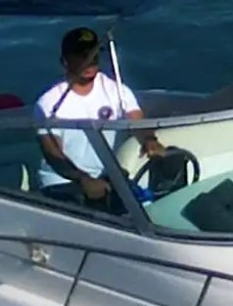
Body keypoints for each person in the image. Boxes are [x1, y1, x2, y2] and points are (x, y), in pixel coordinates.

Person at [36, 26, 161, 208]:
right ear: (65, 61)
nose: (90, 61)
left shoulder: (116, 90)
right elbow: (53, 154)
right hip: (63, 181)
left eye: (93, 55)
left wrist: (149, 140)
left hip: (107, 178)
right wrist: (83, 179)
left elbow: (137, 121)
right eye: (82, 56)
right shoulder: (48, 102)